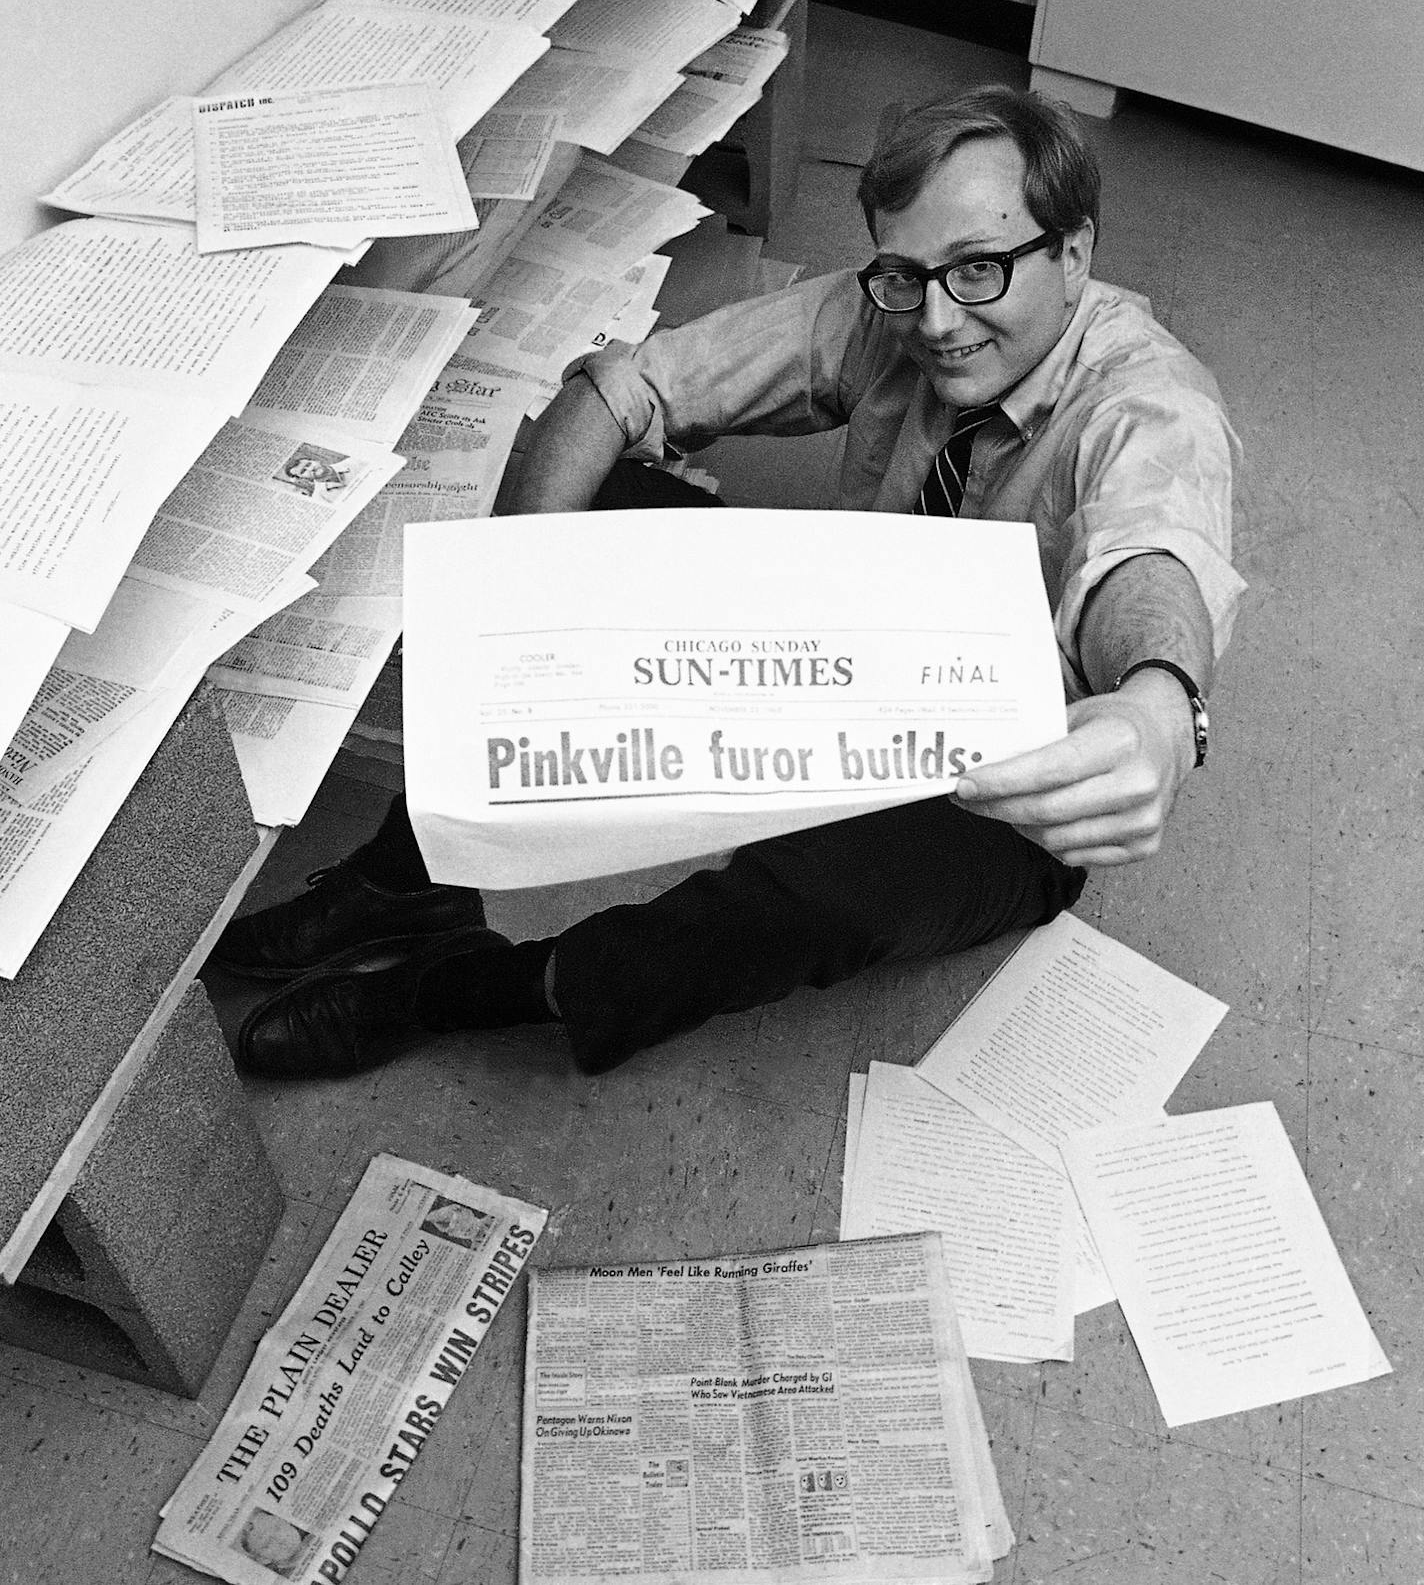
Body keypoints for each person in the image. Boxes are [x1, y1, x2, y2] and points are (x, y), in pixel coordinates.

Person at [221, 83, 1243, 1080]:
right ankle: (412, 873)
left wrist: (1157, 706)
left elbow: (1148, 558)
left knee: (812, 902)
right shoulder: (893, 304)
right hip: (844, 650)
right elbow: (630, 389)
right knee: (577, 492)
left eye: (977, 270)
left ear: (1073, 253)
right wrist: (521, 598)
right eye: (903, 275)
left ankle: (473, 987)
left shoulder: (1148, 405)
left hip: (1007, 768)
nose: (935, 320)